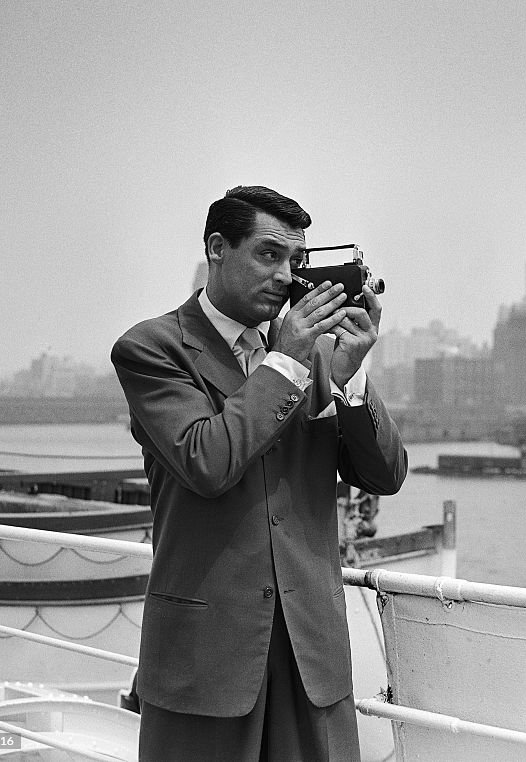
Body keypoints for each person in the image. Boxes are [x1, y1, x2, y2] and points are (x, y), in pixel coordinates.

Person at [111, 185, 407, 761]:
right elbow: (207, 461)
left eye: (295, 261)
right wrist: (289, 361)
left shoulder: (314, 355)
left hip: (310, 650)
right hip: (206, 656)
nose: (284, 275)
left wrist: (351, 377)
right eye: (268, 255)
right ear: (217, 248)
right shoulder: (152, 348)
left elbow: (386, 474)